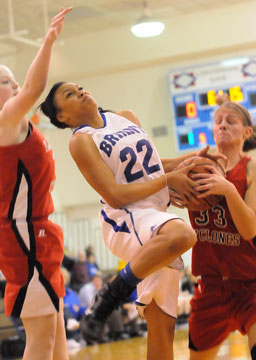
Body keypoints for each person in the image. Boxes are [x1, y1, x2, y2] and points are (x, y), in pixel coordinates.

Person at [39, 80, 227, 359]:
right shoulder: (82, 140)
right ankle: (110, 296)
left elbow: (153, 165)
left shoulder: (125, 117)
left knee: (162, 329)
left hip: (154, 219)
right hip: (125, 219)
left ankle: (115, 292)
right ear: (63, 117)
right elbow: (115, 195)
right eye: (69, 94)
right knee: (183, 234)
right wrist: (167, 180)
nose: (79, 90)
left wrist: (190, 159)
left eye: (78, 87)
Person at [0, 8, 72, 360]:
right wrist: (48, 41)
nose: (14, 86)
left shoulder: (23, 128)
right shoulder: (5, 123)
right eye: (5, 81)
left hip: (38, 231)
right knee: (41, 342)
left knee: (56, 340)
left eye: (13, 80)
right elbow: (35, 87)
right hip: (24, 236)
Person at [171, 99, 256, 359]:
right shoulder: (196, 166)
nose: (222, 125)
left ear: (247, 132)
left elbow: (249, 229)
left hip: (249, 285)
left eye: (230, 121)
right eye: (218, 121)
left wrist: (229, 189)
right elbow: (163, 187)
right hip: (210, 286)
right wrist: (172, 191)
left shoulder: (251, 168)